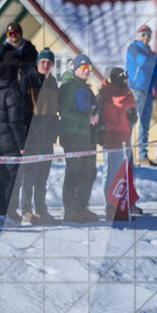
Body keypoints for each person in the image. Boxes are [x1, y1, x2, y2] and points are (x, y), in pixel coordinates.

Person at [18, 48, 60, 224]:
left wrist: (54, 133)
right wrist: (22, 141)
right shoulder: (28, 80)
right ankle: (27, 210)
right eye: (43, 62)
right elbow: (21, 112)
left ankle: (41, 209)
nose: (46, 65)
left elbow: (54, 112)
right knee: (29, 175)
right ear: (37, 63)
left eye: (49, 63)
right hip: (31, 138)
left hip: (46, 139)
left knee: (43, 176)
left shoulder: (52, 83)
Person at [0, 50, 27, 224]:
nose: (20, 75)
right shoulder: (11, 92)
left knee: (0, 174)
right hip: (10, 143)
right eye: (19, 72)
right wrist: (22, 144)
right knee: (13, 177)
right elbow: (15, 122)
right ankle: (5, 213)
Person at [57, 54, 99, 223]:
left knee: (89, 172)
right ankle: (70, 210)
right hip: (72, 134)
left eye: (89, 68)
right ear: (75, 68)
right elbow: (64, 112)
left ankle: (81, 208)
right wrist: (86, 119)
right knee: (74, 171)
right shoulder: (68, 85)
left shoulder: (84, 86)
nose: (87, 71)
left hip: (85, 135)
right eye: (83, 68)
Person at [99, 67, 139, 220]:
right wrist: (127, 95)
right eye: (123, 79)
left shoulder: (122, 92)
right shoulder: (109, 93)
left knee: (123, 174)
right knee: (111, 174)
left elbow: (131, 107)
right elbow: (126, 102)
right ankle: (110, 206)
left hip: (124, 138)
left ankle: (122, 205)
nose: (125, 82)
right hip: (111, 139)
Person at [126, 25, 157, 165]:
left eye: (148, 34)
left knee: (144, 123)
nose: (146, 37)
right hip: (135, 88)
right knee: (131, 122)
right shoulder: (134, 48)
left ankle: (142, 155)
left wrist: (151, 64)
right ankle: (127, 155)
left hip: (147, 91)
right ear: (138, 35)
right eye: (143, 34)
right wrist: (153, 63)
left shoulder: (150, 53)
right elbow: (142, 61)